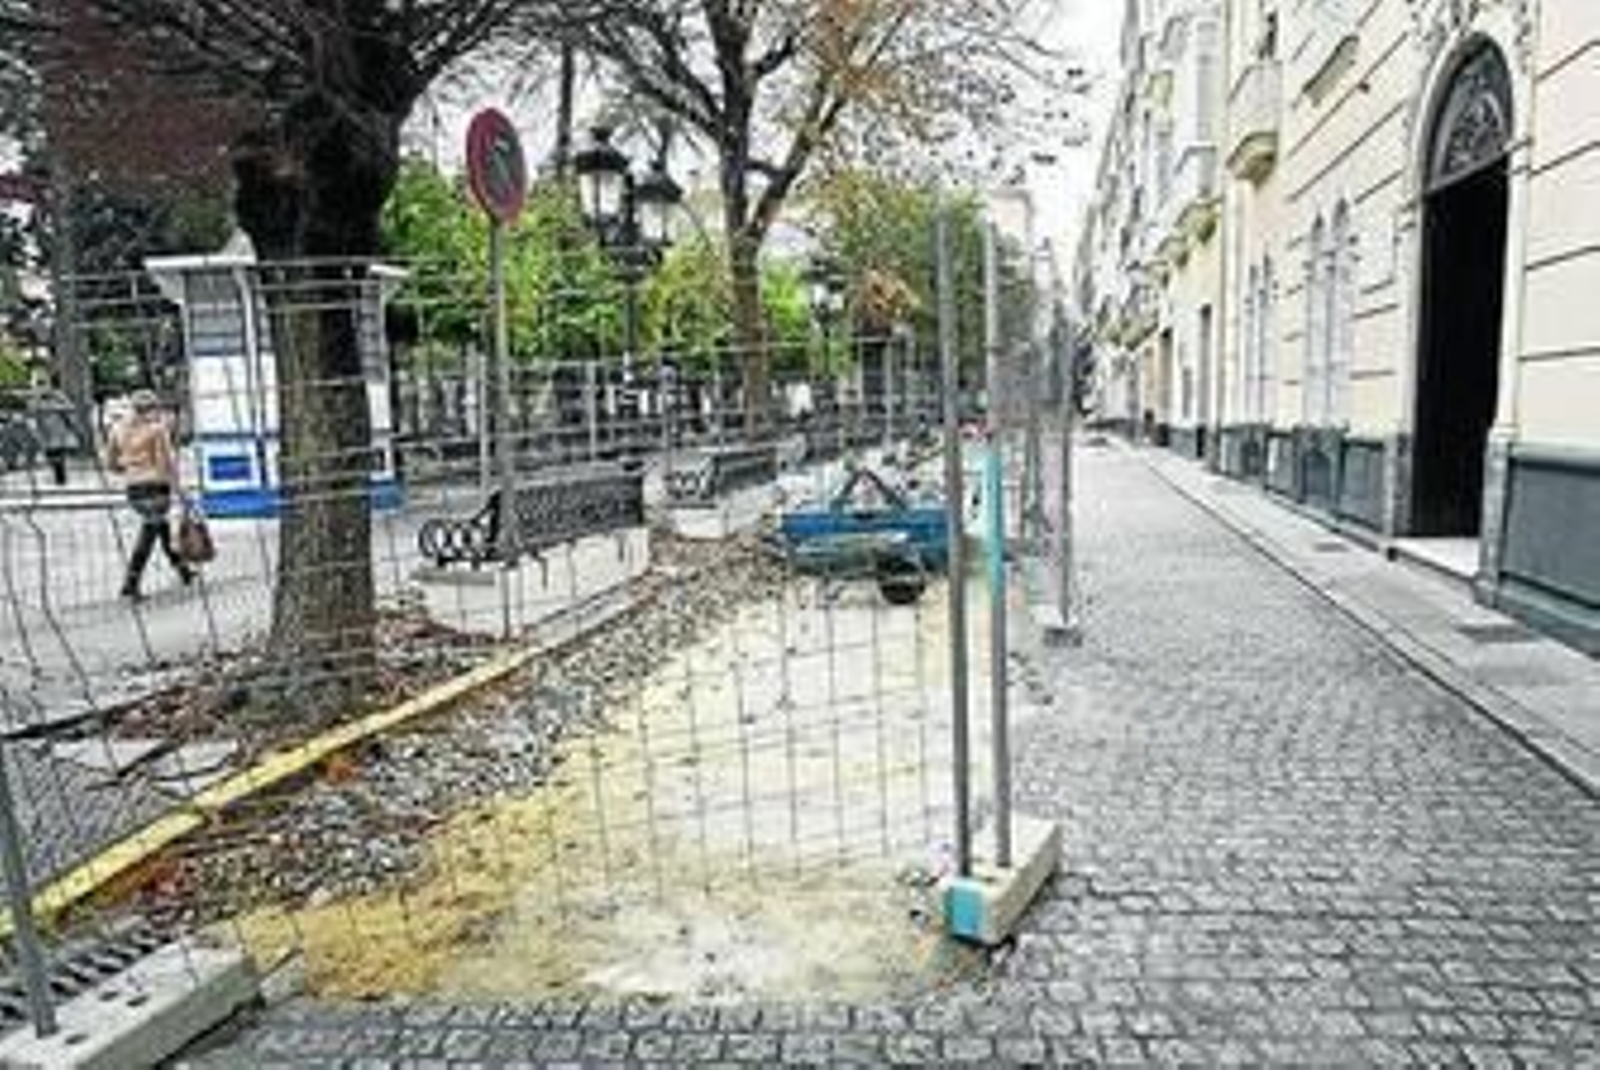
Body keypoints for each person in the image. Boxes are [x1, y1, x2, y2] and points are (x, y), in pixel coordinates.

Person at [106, 389, 193, 600]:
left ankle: (183, 569)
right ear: (151, 409)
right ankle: (131, 581)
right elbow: (166, 464)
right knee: (150, 531)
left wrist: (132, 468)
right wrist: (180, 491)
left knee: (161, 528)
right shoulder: (157, 430)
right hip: (155, 486)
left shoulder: (117, 429)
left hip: (133, 488)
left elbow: (111, 464)